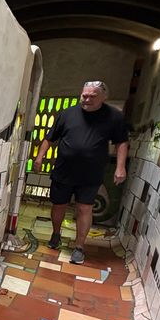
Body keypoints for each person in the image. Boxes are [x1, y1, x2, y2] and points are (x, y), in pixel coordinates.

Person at [34, 81, 128, 265]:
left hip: (90, 173)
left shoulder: (114, 117)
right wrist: (39, 157)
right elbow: (49, 137)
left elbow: (121, 142)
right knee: (58, 204)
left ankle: (78, 247)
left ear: (103, 97)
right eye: (84, 95)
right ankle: (55, 234)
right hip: (63, 170)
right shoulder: (67, 114)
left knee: (84, 208)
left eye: (92, 96)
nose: (87, 99)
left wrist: (120, 166)